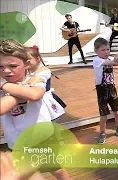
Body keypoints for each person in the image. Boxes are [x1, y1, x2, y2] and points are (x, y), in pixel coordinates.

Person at [0, 39, 71, 179]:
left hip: (41, 139)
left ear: (26, 64)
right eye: (0, 67)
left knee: (56, 169)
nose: (6, 71)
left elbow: (34, 94)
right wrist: (19, 93)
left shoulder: (34, 80)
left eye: (12, 66)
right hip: (16, 142)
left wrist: (3, 86)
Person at [92, 37, 118, 144]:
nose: (106, 52)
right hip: (102, 89)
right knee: (103, 114)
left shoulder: (110, 58)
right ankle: (102, 132)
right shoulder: (96, 60)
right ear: (96, 51)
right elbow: (115, 63)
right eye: (103, 50)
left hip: (112, 88)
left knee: (117, 111)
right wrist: (117, 57)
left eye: (108, 49)